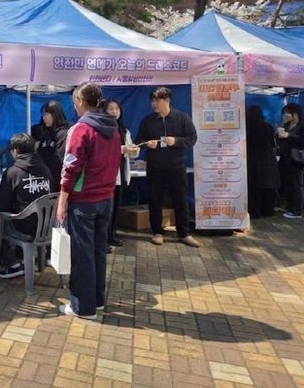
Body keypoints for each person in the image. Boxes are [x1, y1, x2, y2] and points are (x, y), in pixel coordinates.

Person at [56, 83, 121, 320]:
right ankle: (97, 300)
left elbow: (70, 168)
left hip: (83, 201)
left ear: (81, 101)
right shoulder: (113, 128)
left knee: (82, 253)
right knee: (98, 251)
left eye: (75, 100)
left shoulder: (81, 129)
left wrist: (62, 202)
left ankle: (83, 307)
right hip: (106, 198)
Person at [0, 133, 54, 278]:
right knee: (20, 216)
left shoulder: (12, 173)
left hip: (23, 229)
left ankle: (11, 264)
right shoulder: (45, 169)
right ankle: (21, 257)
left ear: (15, 150)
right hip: (46, 227)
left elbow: (3, 206)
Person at [135, 87, 199, 247]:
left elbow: (192, 138)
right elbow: (138, 141)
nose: (154, 104)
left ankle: (184, 233)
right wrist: (146, 144)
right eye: (152, 100)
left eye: (157, 100)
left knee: (180, 200)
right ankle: (157, 232)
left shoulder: (182, 118)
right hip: (155, 167)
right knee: (155, 200)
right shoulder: (148, 121)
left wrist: (176, 141)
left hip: (177, 166)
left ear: (167, 100)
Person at [103, 99, 140, 247]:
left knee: (116, 207)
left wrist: (134, 150)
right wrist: (123, 149)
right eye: (110, 109)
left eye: (117, 109)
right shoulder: (102, 129)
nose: (114, 112)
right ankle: (103, 239)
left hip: (120, 173)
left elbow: (130, 153)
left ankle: (111, 234)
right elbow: (104, 151)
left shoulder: (124, 130)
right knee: (106, 209)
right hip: (106, 175)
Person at [246, 106, 279, 219]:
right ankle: (268, 210)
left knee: (253, 187)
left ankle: (254, 211)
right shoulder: (268, 126)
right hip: (268, 158)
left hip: (252, 159)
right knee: (268, 186)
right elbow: (272, 143)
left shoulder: (247, 127)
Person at [276, 103, 304, 218]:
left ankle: (297, 211)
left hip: (297, 159)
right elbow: (280, 140)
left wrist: (289, 135)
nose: (285, 115)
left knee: (296, 184)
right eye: (284, 113)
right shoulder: (287, 124)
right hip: (285, 158)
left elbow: (302, 141)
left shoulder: (302, 125)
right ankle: (291, 206)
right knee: (288, 183)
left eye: (287, 113)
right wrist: (279, 135)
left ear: (295, 114)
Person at [35, 100, 70, 190]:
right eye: (43, 115)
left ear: (55, 115)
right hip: (46, 181)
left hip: (59, 182)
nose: (43, 118)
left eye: (46, 115)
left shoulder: (63, 134)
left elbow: (60, 161)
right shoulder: (45, 133)